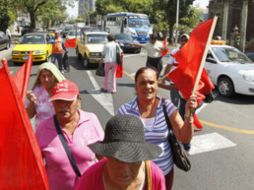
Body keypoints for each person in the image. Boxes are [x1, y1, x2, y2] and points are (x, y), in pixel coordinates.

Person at [117, 67, 197, 190]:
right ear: (136, 86)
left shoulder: (167, 107)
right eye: (142, 83)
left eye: (151, 82)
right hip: (136, 176)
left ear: (157, 84)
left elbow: (185, 138)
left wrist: (189, 116)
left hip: (164, 174)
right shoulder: (125, 111)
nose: (148, 86)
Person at [35, 80, 104, 190]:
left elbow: (103, 159)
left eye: (68, 101)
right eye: (58, 101)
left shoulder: (91, 120)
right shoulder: (43, 128)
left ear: (78, 100)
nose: (63, 105)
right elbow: (34, 165)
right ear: (52, 103)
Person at [75, 114, 166, 190]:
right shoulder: (90, 178)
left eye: (133, 160)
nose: (125, 170)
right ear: (106, 156)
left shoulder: (154, 176)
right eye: (118, 160)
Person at [26, 62, 65, 130]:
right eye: (43, 76)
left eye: (49, 76)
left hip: (60, 132)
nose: (46, 79)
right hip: (41, 132)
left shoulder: (63, 90)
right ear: (39, 78)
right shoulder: (36, 91)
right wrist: (32, 102)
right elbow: (29, 115)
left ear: (55, 76)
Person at [161, 33, 189, 107]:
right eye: (182, 40)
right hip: (175, 81)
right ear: (179, 41)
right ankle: (174, 117)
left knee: (185, 103)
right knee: (174, 102)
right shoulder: (174, 51)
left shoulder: (190, 52)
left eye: (185, 40)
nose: (183, 42)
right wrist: (164, 77)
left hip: (185, 82)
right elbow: (169, 65)